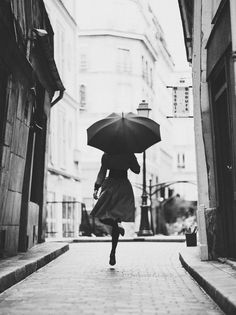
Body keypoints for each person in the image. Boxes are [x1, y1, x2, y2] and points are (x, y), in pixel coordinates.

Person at [91, 152, 140, 266]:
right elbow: (137, 170)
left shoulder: (107, 154)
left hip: (110, 186)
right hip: (124, 187)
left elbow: (102, 172)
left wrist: (96, 187)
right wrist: (132, 160)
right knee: (117, 220)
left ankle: (115, 224)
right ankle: (113, 251)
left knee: (100, 216)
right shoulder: (129, 154)